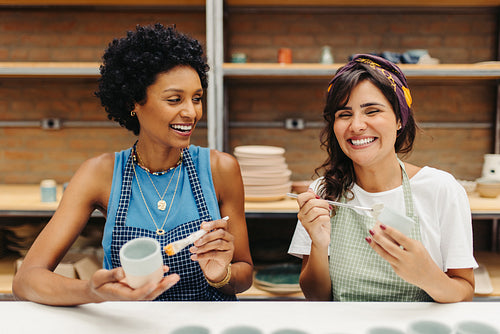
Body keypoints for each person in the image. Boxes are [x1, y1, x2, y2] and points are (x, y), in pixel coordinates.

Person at [13, 23, 253, 305]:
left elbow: (245, 274)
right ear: (133, 102)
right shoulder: (100, 174)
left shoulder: (220, 169)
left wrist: (221, 276)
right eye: (175, 99)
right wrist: (91, 292)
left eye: (197, 98)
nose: (191, 112)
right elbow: (27, 279)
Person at [288, 54, 477, 303]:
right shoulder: (322, 193)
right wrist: (319, 245)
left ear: (400, 119)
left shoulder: (441, 189)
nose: (356, 126)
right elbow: (317, 298)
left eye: (372, 111)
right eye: (344, 114)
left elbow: (464, 292)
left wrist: (427, 275)